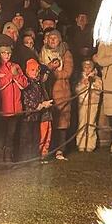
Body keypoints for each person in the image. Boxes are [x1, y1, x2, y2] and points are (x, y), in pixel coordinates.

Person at [39, 29, 73, 160]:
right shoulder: (42, 53)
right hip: (47, 91)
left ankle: (60, 150)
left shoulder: (65, 53)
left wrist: (53, 71)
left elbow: (67, 72)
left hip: (61, 91)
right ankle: (48, 149)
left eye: (55, 38)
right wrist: (48, 68)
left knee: (62, 121)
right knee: (48, 122)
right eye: (50, 38)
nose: (52, 40)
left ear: (60, 40)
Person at [0, 44, 27, 163]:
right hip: (2, 108)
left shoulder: (16, 66)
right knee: (0, 135)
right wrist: (10, 75)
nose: (6, 55)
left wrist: (16, 75)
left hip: (15, 108)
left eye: (8, 53)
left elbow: (24, 84)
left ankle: (8, 158)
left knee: (11, 134)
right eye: (3, 53)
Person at [21, 59, 54, 159]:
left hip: (36, 117)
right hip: (27, 117)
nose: (35, 73)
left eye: (37, 71)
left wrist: (42, 104)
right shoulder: (26, 83)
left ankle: (33, 158)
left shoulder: (38, 84)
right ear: (27, 71)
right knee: (26, 139)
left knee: (35, 138)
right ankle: (24, 160)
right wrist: (39, 105)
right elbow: (25, 100)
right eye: (32, 70)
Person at [75, 59, 103, 152]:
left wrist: (93, 84)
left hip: (93, 102)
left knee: (91, 123)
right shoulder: (80, 78)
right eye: (85, 67)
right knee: (82, 123)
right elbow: (77, 89)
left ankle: (91, 144)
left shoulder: (97, 78)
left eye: (89, 67)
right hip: (82, 102)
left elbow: (100, 90)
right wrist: (83, 84)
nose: (87, 69)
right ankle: (81, 144)